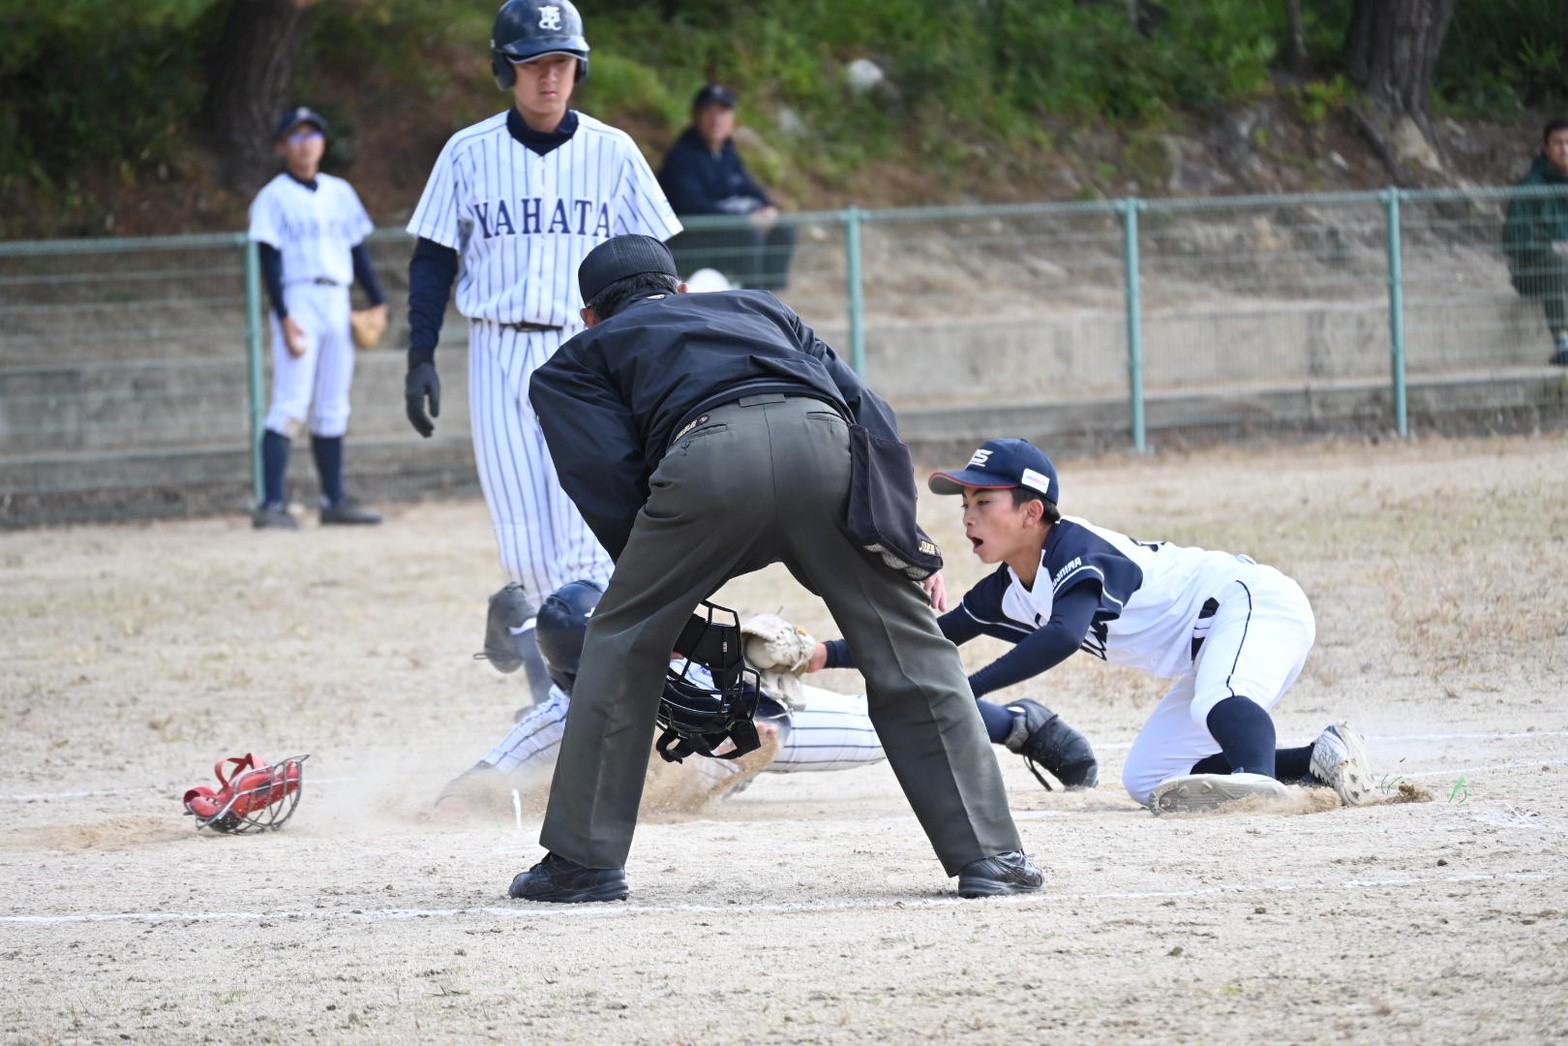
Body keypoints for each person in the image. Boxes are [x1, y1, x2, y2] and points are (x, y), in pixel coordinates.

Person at [508, 233, 1039, 903]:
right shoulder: (759, 308)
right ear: (681, 292)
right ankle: (992, 856)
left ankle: (583, 863)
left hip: (706, 463)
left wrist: (658, 598)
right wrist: (902, 543)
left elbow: (607, 478)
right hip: (827, 452)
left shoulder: (575, 359)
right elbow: (869, 411)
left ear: (589, 316)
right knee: (912, 652)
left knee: (619, 646)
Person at [811, 436, 1378, 816]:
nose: (966, 516)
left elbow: (1061, 634)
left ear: (1032, 513)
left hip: (1251, 605)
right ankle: (1317, 760)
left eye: (984, 501)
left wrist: (968, 689)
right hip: (1212, 645)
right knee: (1153, 778)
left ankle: (1259, 783)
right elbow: (930, 639)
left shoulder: (1075, 550)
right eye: (964, 504)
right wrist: (820, 654)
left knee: (1219, 699)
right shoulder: (1008, 588)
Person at [402, 0, 682, 707]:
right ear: (506, 69)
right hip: (499, 352)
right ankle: (549, 687)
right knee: (526, 544)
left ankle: (571, 701)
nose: (549, 77)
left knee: (588, 535)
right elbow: (433, 256)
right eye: (533, 64)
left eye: (561, 62)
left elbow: (655, 261)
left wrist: (664, 360)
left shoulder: (613, 152)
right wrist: (421, 353)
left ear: (578, 67)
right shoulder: (468, 152)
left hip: (588, 353)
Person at [434, 581, 890, 819]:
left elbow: (760, 714)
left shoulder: (661, 650)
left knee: (887, 729)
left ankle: (961, 691)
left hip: (766, 713)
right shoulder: (561, 713)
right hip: (717, 753)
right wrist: (454, 805)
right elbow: (480, 778)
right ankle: (520, 627)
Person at [247, 106, 386, 530]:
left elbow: (357, 251)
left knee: (332, 405)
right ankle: (271, 504)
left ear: (323, 144)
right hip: (299, 298)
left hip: (337, 299)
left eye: (312, 135)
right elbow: (267, 261)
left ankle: (334, 501)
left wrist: (376, 299)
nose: (305, 144)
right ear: (281, 146)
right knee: (290, 402)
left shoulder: (339, 192)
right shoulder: (272, 196)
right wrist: (284, 315)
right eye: (296, 136)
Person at [657, 84, 796, 292]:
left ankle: (770, 296)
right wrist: (741, 220)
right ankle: (753, 299)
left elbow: (749, 188)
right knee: (748, 235)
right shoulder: (681, 156)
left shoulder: (727, 152)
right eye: (709, 111)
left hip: (723, 233)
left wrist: (768, 208)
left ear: (732, 118)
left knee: (783, 226)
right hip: (689, 243)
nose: (716, 119)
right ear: (695, 116)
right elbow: (691, 206)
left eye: (722, 112)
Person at [1503, 115, 1568, 367]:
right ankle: (1563, 344)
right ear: (1545, 147)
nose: (1564, 149)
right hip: (1533, 273)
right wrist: (1555, 247)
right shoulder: (1531, 186)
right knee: (1557, 261)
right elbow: (1512, 240)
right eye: (1558, 143)